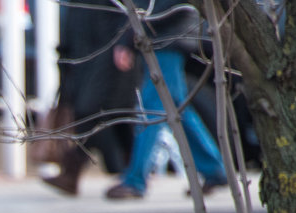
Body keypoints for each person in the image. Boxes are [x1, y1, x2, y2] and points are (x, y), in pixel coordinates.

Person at [104, 0, 227, 200]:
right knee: (176, 108)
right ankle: (213, 169)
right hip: (167, 33)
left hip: (165, 34)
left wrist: (130, 35)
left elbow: (155, 6)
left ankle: (135, 180)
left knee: (154, 107)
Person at [42, 0, 138, 196]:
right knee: (113, 118)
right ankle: (133, 174)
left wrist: (124, 43)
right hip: (83, 53)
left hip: (109, 52)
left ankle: (73, 171)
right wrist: (64, 53)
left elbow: (129, 11)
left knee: (94, 111)